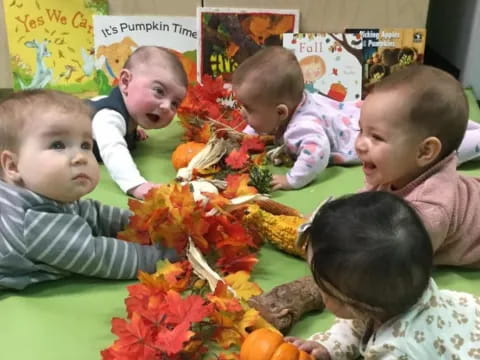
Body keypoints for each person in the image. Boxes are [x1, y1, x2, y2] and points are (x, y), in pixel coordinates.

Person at [0, 90, 178, 290]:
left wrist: (144, 221)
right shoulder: (34, 225)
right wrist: (167, 256)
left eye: (85, 145)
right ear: (13, 166)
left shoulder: (51, 193)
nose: (80, 157)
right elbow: (99, 255)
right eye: (58, 145)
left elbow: (92, 213)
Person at [288, 191, 480, 359]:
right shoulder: (396, 293)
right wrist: (329, 346)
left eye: (323, 289)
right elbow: (357, 324)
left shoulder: (397, 351)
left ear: (351, 305)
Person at [355, 64, 480, 267]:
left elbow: (392, 262)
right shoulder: (392, 171)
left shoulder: (429, 212)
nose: (360, 144)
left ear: (425, 152)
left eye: (376, 137)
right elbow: (364, 203)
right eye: (360, 130)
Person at [232, 46, 362, 191]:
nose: (242, 112)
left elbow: (317, 152)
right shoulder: (294, 103)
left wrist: (291, 180)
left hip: (358, 135)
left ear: (281, 113)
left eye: (249, 109)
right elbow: (262, 122)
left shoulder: (303, 127)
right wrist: (246, 136)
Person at [89, 46, 188, 199]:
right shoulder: (108, 116)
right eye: (159, 91)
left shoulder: (129, 112)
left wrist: (130, 131)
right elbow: (113, 148)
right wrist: (135, 184)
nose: (167, 107)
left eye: (175, 103)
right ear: (125, 82)